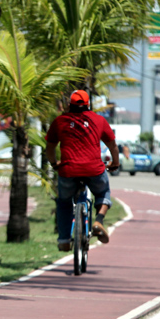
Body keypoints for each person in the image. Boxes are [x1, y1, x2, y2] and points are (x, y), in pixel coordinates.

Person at [45, 90, 120, 252]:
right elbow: (112, 145)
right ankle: (98, 220)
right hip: (94, 169)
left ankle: (64, 239)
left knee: (64, 202)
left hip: (68, 170)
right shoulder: (99, 120)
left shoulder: (60, 121)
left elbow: (49, 147)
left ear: (69, 105)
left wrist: (54, 164)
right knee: (103, 193)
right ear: (88, 105)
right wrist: (115, 162)